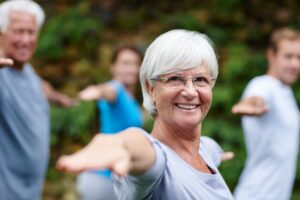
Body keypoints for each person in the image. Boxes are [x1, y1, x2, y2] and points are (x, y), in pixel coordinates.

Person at [57, 29, 234, 200]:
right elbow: (142, 145)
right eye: (175, 78)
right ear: (151, 90)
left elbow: (206, 146)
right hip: (108, 172)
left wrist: (218, 154)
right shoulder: (158, 163)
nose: (190, 91)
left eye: (200, 79)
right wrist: (118, 144)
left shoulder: (205, 150)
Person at [0, 0, 75, 199]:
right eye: (18, 31)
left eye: (31, 32)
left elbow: (43, 87)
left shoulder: (28, 71)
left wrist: (61, 99)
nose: (25, 39)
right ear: (1, 32)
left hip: (31, 191)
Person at [232, 27, 300, 200]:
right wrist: (251, 104)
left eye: (299, 58)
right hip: (256, 195)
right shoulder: (262, 84)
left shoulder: (286, 92)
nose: (295, 64)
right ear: (271, 55)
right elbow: (257, 97)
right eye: (288, 56)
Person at [77, 45, 144, 200]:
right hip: (101, 178)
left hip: (117, 178)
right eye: (126, 63)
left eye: (136, 63)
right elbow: (107, 91)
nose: (132, 68)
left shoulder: (131, 100)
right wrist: (96, 91)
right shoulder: (116, 89)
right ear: (113, 67)